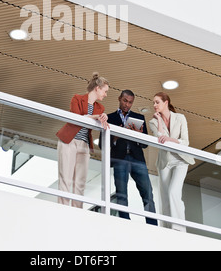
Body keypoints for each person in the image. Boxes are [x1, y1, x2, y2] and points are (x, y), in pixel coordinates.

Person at [101, 89, 157, 225]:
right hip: (120, 159)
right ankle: (124, 222)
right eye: (125, 101)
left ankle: (152, 224)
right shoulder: (110, 117)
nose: (127, 104)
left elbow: (144, 144)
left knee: (147, 193)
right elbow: (102, 144)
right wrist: (115, 136)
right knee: (121, 193)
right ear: (119, 99)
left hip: (137, 159)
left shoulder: (139, 118)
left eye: (130, 102)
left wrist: (139, 134)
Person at [56, 72, 109, 208]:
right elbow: (76, 118)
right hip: (69, 141)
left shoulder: (100, 108)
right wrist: (96, 117)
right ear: (97, 88)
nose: (106, 94)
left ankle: (77, 212)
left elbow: (95, 121)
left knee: (80, 183)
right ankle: (62, 210)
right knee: (66, 179)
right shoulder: (77, 98)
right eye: (105, 91)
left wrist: (103, 117)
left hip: (84, 145)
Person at [149, 92, 195, 232]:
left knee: (173, 191)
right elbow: (161, 138)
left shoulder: (180, 118)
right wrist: (158, 120)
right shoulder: (153, 122)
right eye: (153, 103)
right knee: (165, 197)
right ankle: (167, 229)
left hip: (181, 160)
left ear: (166, 103)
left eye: (157, 102)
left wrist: (171, 140)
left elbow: (185, 142)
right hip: (165, 162)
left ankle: (179, 229)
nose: (154, 105)